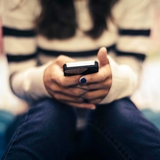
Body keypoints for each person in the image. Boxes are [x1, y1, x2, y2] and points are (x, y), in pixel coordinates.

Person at [1, 0, 160, 159]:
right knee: (49, 113)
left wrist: (113, 81)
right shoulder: (19, 3)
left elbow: (133, 69)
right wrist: (44, 81)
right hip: (45, 109)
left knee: (120, 112)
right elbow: (18, 75)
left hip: (109, 109)